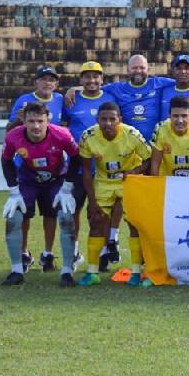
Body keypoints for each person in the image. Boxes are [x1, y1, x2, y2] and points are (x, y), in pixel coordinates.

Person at [0, 102, 80, 287]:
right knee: (13, 218)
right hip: (28, 180)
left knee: (66, 217)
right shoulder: (13, 136)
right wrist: (13, 192)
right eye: (31, 121)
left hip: (56, 180)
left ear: (48, 121)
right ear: (24, 121)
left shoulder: (62, 134)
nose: (36, 126)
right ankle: (17, 270)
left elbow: (76, 157)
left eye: (40, 121)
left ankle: (67, 271)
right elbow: (5, 161)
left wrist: (67, 187)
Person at [77, 101, 152, 287]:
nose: (108, 123)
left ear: (120, 120)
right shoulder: (88, 137)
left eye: (112, 119)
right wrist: (92, 201)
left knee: (134, 224)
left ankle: (135, 272)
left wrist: (134, 172)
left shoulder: (132, 134)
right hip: (103, 182)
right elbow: (86, 171)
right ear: (97, 120)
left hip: (128, 181)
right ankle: (92, 272)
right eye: (104, 119)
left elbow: (149, 158)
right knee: (96, 222)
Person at [61, 61, 117, 269]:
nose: (91, 80)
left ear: (102, 79)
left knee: (100, 212)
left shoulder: (111, 97)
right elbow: (63, 128)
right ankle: (74, 253)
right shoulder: (72, 100)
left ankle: (102, 253)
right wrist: (71, 90)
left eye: (96, 76)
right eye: (87, 77)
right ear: (81, 79)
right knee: (72, 211)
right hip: (77, 167)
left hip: (104, 167)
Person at [100, 54, 176, 141]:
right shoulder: (118, 88)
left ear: (148, 69)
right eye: (134, 68)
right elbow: (96, 89)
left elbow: (181, 82)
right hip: (129, 146)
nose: (138, 71)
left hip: (154, 144)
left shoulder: (157, 83)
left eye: (142, 68)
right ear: (128, 70)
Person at [158, 54, 189, 124]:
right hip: (165, 133)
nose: (183, 71)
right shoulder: (163, 91)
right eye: (179, 68)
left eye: (187, 68)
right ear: (173, 71)